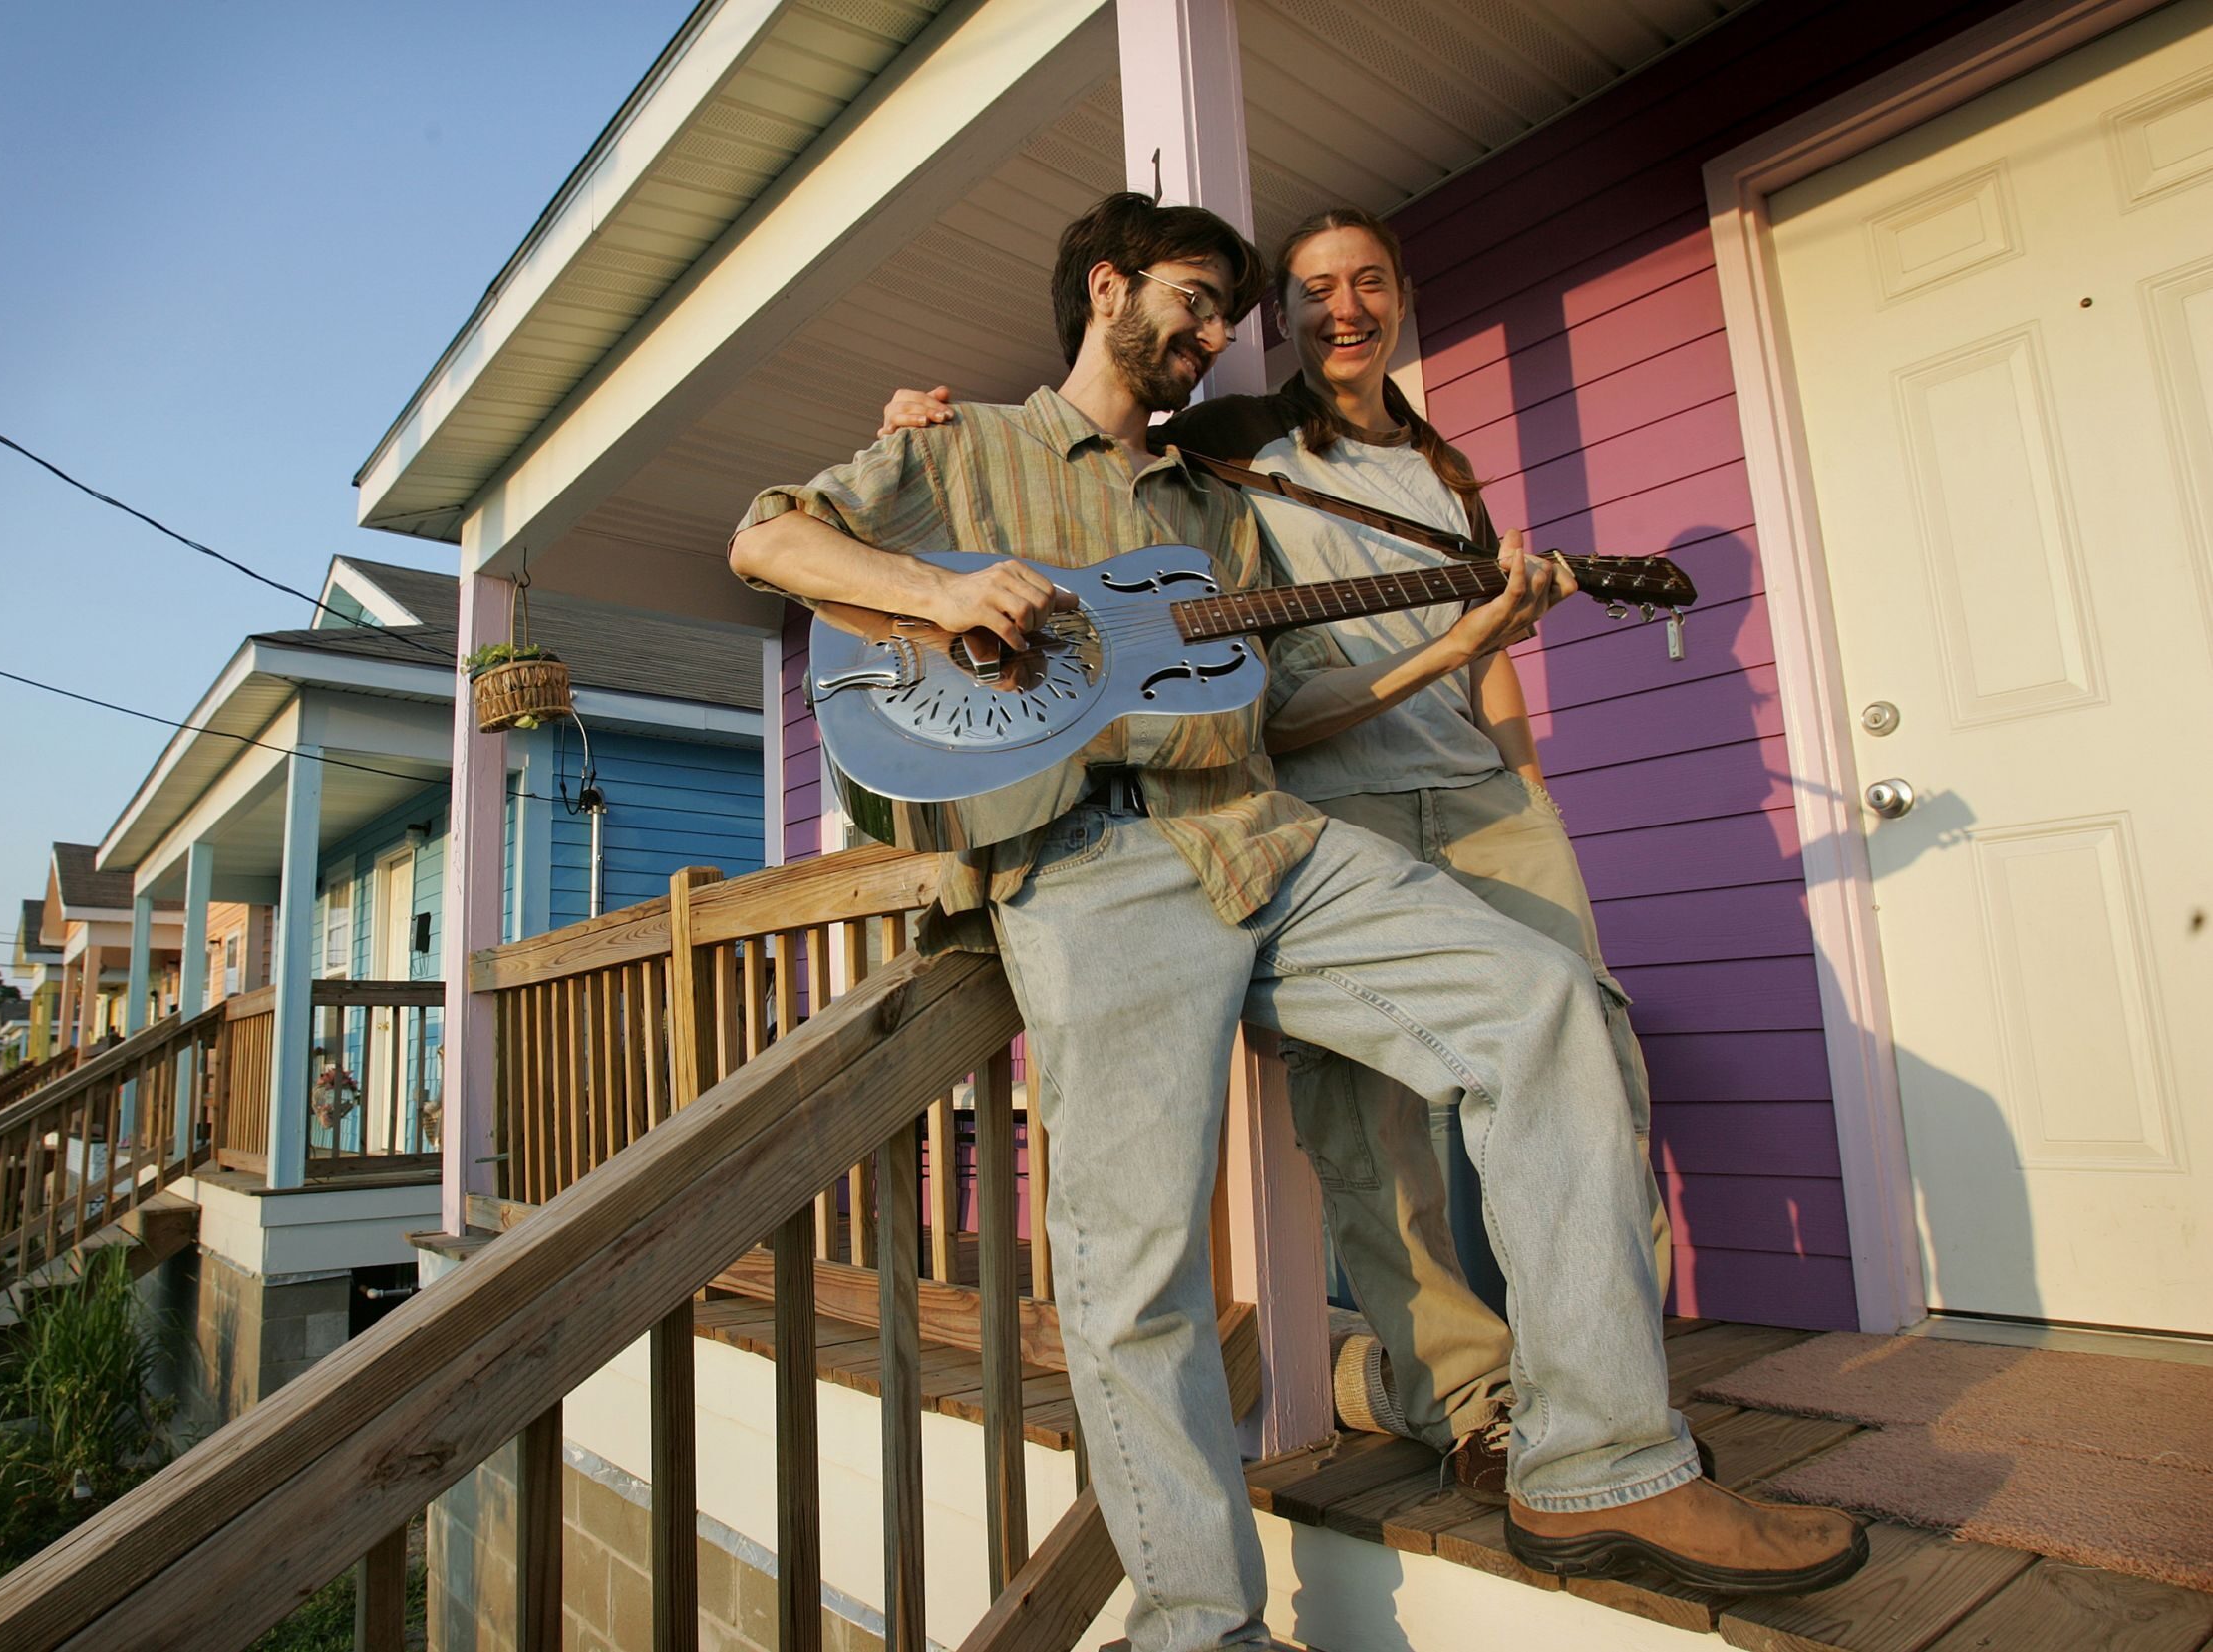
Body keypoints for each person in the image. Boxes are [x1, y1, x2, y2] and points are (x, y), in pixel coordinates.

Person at [731, 191, 1863, 1651]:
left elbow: (1285, 708)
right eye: (1192, 300)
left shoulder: (1218, 513)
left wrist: (1457, 647)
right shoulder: (961, 449)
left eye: (1221, 316)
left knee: (1547, 1006)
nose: (1210, 333)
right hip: (1089, 864)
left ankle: (1594, 1465)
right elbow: (769, 539)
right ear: (1105, 286)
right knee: (1137, 1269)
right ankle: (1200, 1626)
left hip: (1267, 838)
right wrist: (934, 585)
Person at [878, 203, 1672, 1499]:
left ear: (1401, 297)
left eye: (1367, 282)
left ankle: (1611, 1401)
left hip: (1468, 786)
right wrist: (926, 448)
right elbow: (1077, 455)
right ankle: (1465, 1401)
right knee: (1364, 1138)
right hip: (1316, 793)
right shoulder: (1228, 440)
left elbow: (1463, 641)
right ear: (1282, 322)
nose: (1341, 307)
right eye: (1310, 291)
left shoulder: (1437, 465)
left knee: (1574, 1040)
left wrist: (1517, 751)